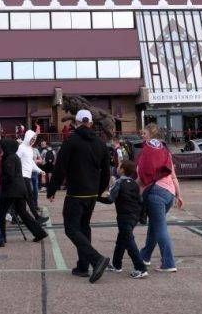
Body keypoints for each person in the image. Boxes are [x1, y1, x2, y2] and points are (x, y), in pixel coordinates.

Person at [47, 110, 112, 283]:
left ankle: (96, 258)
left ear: (75, 123)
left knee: (71, 228)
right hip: (91, 193)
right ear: (90, 123)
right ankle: (83, 265)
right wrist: (100, 191)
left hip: (76, 192)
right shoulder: (100, 142)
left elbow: (60, 168)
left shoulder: (71, 141)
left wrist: (52, 189)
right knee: (84, 227)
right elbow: (106, 171)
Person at [135, 123, 184, 272]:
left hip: (155, 192)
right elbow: (173, 176)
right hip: (168, 193)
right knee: (155, 226)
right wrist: (179, 195)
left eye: (144, 133)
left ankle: (168, 263)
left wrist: (133, 189)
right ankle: (145, 255)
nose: (142, 136)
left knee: (160, 228)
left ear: (150, 135)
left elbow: (141, 175)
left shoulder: (147, 152)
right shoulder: (165, 152)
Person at [97, 160, 148, 278]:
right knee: (121, 240)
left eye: (119, 166)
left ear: (123, 170)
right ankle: (116, 264)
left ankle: (141, 268)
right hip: (134, 216)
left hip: (124, 216)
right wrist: (142, 217)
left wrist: (97, 198)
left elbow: (110, 199)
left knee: (129, 243)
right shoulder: (134, 184)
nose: (117, 168)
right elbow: (141, 201)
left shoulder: (119, 182)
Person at [0, 137, 47, 243]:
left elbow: (9, 175)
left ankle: (1, 237)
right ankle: (39, 232)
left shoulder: (9, 158)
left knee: (0, 212)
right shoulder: (14, 157)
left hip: (11, 191)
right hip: (20, 189)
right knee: (23, 212)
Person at [18, 126, 47, 223]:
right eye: (31, 139)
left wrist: (39, 171)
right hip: (22, 176)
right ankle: (36, 217)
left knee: (22, 198)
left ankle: (17, 217)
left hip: (27, 176)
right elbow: (16, 160)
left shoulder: (30, 149)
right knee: (28, 196)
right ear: (27, 138)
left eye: (34, 139)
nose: (33, 141)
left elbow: (31, 163)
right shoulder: (21, 147)